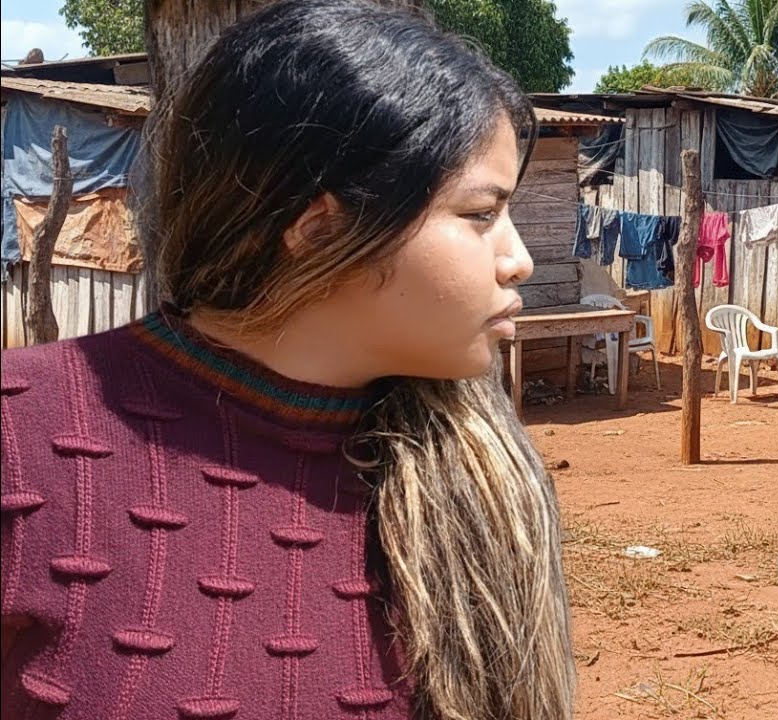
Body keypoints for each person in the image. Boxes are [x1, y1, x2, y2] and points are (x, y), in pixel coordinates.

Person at [0, 2, 574, 719]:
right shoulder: (23, 435)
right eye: (481, 214)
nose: (519, 261)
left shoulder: (480, 477)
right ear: (320, 227)